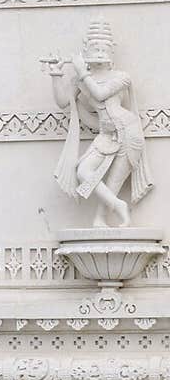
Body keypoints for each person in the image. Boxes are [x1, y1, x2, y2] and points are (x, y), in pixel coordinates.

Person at [42, 17, 152, 228]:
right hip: (105, 134)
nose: (100, 53)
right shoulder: (81, 79)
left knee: (114, 182)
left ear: (111, 53)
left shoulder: (121, 77)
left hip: (128, 133)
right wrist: (56, 74)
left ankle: (101, 219)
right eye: (95, 48)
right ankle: (118, 206)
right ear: (87, 51)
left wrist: (82, 72)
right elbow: (63, 102)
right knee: (83, 171)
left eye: (104, 49)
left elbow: (100, 94)